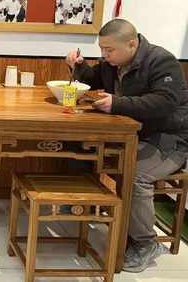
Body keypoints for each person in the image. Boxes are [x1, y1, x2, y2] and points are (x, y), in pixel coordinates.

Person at [67, 19, 188, 273]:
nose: (104, 55)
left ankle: (146, 244)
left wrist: (117, 104)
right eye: (102, 49)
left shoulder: (161, 61)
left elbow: (164, 102)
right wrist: (79, 65)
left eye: (109, 50)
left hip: (169, 140)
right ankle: (81, 206)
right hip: (132, 134)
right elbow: (93, 78)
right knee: (81, 144)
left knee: (135, 176)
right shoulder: (114, 63)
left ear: (132, 44)